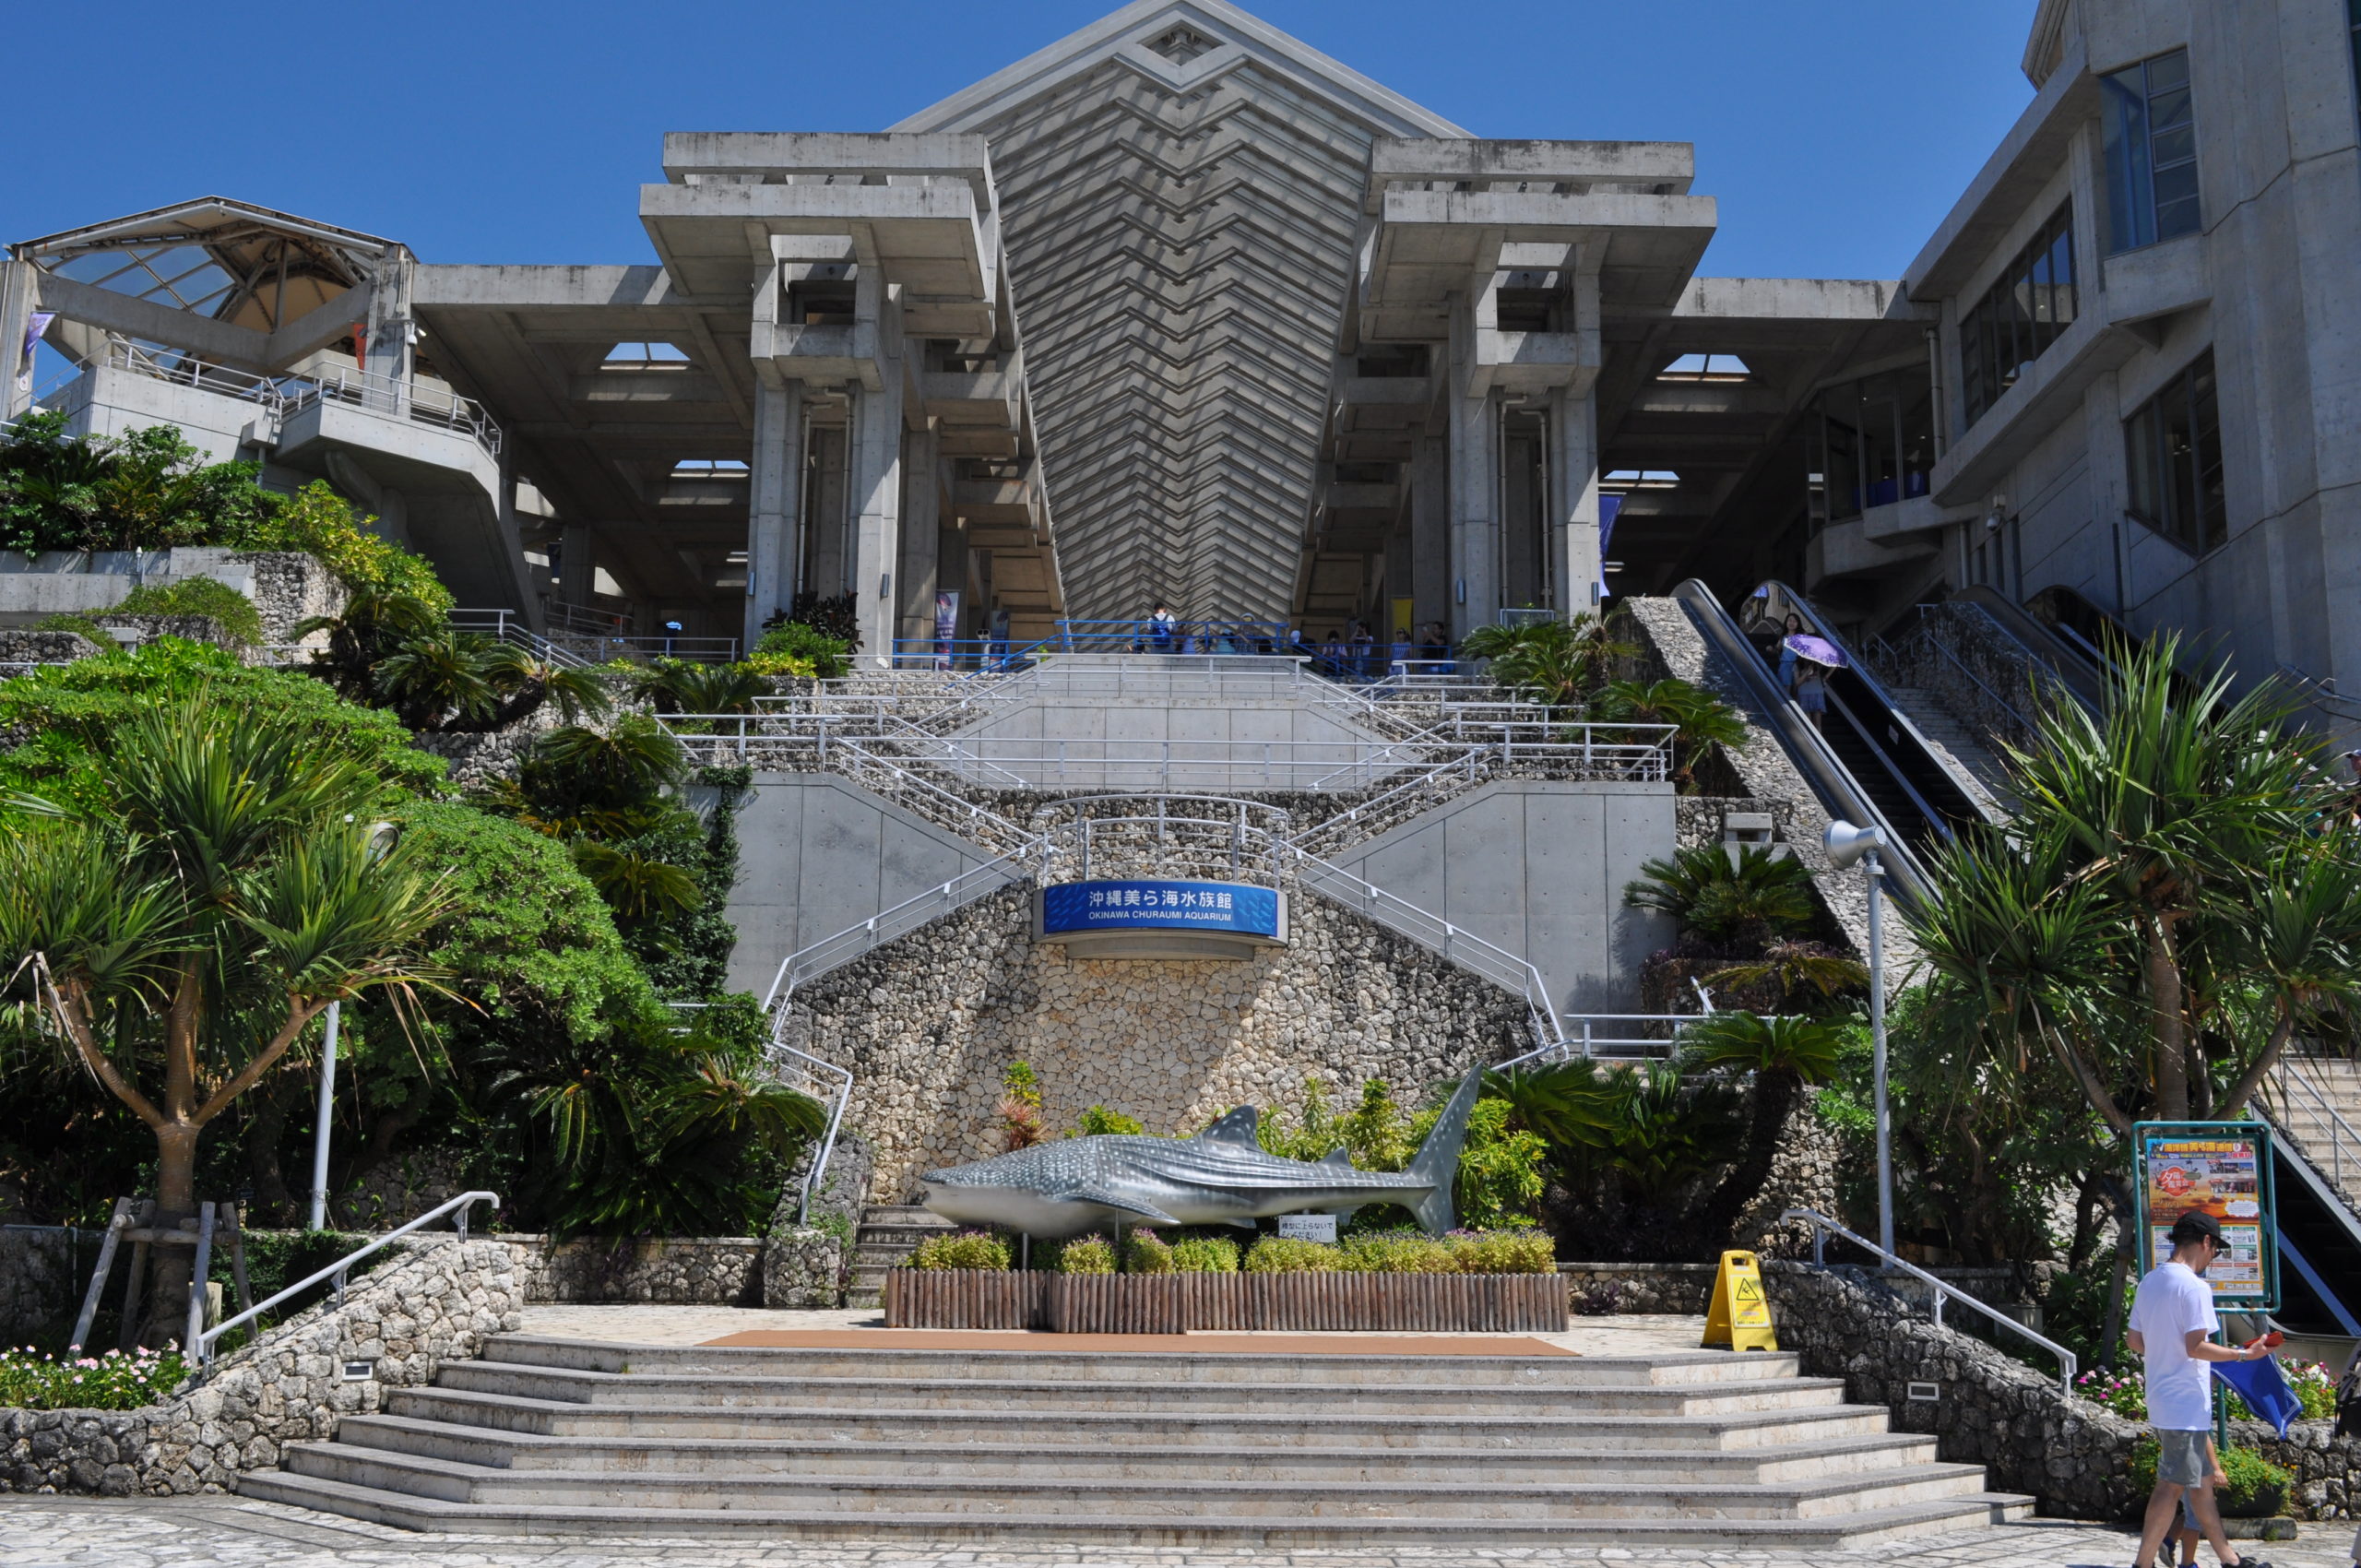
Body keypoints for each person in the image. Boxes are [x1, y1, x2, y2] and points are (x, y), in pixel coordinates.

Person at [2128, 1210, 2280, 1568]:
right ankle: (2143, 1564)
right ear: (2206, 1242)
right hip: (2184, 1401)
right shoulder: (2194, 1286)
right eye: (2216, 1249)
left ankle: (2230, 1559)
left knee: (2202, 1484)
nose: (2214, 1257)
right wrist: (2245, 1354)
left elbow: (2135, 1341)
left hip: (2163, 1397)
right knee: (2172, 1484)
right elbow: (2197, 1346)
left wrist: (2168, 1349)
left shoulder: (2150, 1281)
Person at [1793, 661, 1829, 732]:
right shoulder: (1797, 665)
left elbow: (1834, 666)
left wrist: (1825, 677)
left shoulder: (1818, 664)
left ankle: (1818, 740)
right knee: (1807, 722)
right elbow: (1797, 683)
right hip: (1804, 694)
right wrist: (1807, 673)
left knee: (1817, 723)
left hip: (1817, 692)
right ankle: (1809, 739)